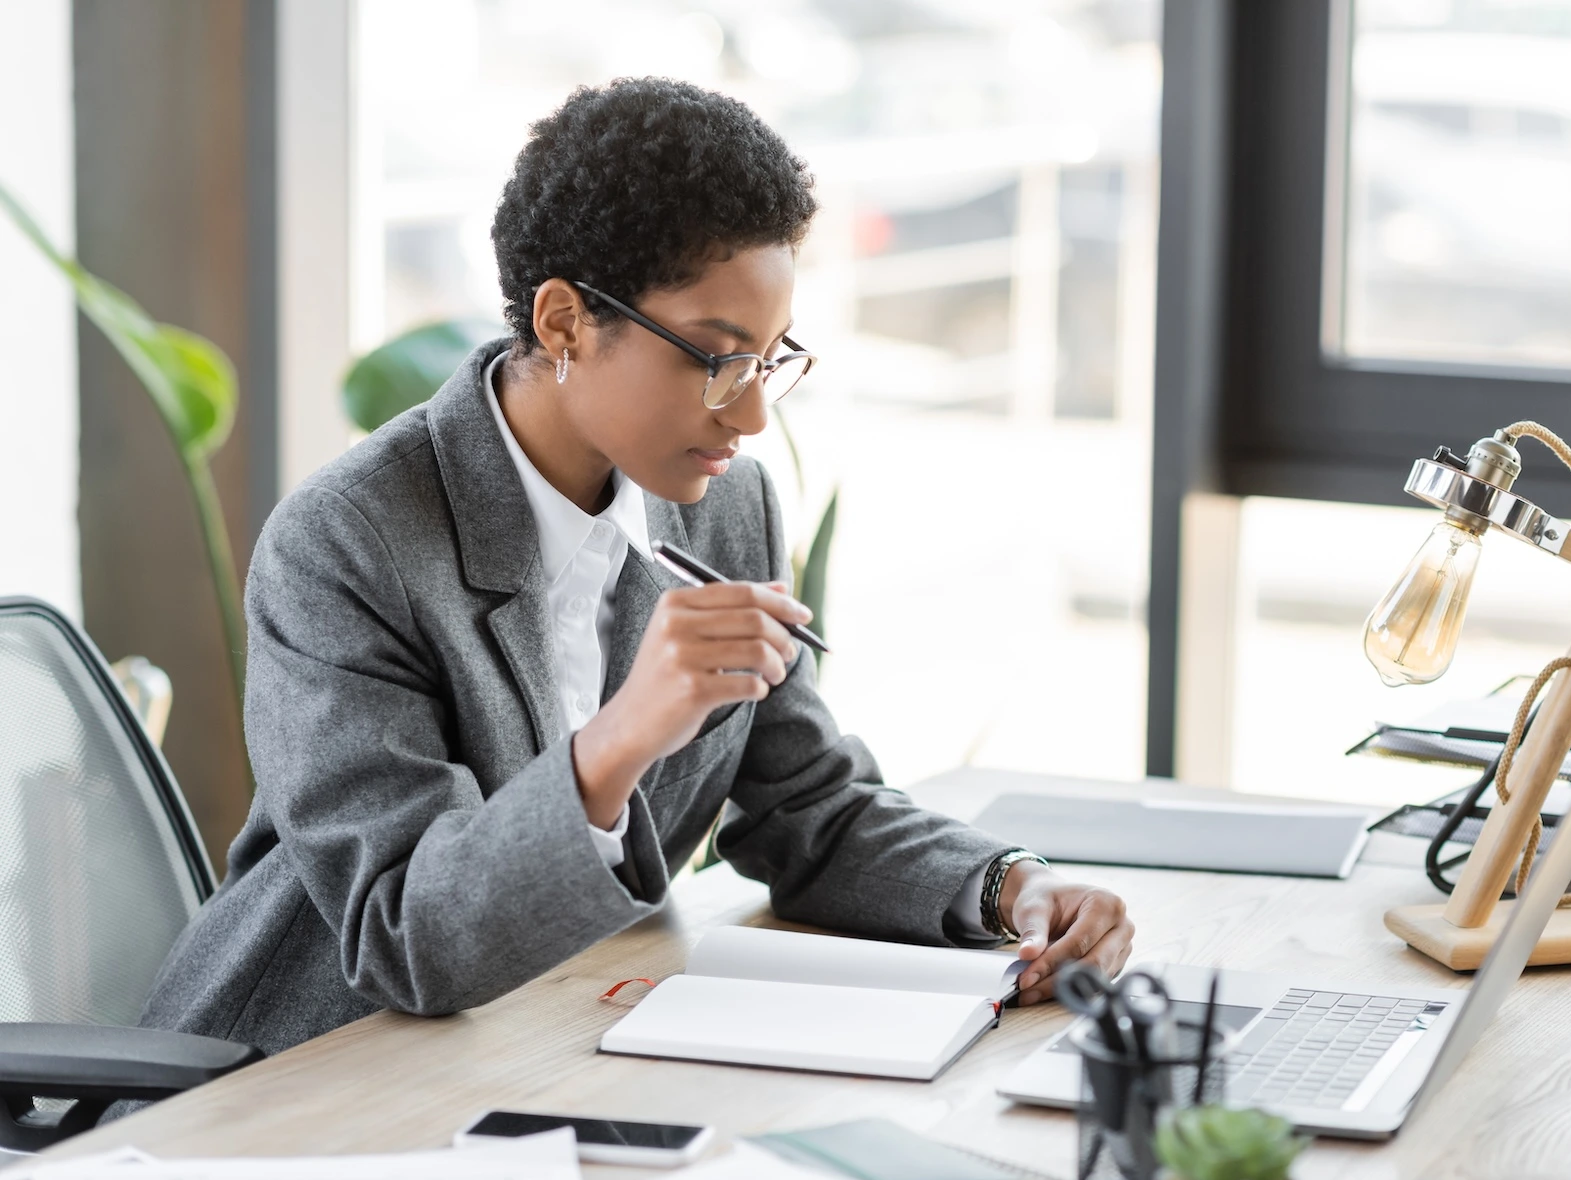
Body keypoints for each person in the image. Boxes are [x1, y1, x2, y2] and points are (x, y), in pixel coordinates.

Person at [138, 78, 1133, 1059]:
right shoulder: (350, 540)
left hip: (554, 1036)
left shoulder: (723, 504)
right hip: (298, 1070)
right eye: (715, 358)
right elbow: (403, 935)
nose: (750, 415)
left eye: (770, 360)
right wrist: (622, 737)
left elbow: (807, 808)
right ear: (566, 322)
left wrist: (1010, 886)